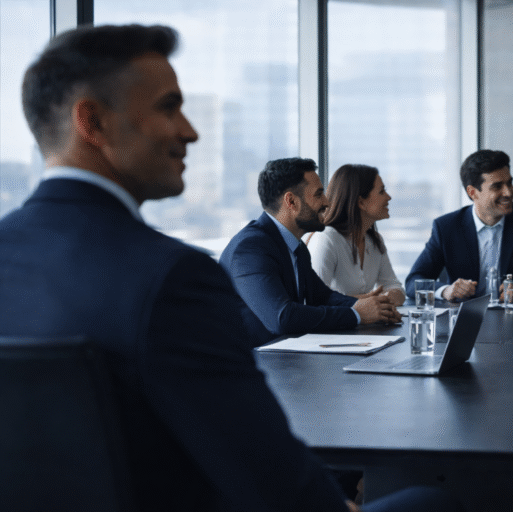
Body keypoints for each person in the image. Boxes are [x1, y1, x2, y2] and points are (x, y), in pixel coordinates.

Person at [0, 24, 457, 512]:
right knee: (434, 500)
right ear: (93, 122)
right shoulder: (173, 277)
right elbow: (272, 477)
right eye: (168, 106)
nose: (190, 130)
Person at [219, 157, 401, 345]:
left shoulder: (296, 246)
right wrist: (356, 314)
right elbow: (282, 317)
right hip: (248, 364)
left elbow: (322, 296)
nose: (327, 202)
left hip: (283, 357)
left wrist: (373, 308)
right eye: (319, 194)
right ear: (291, 201)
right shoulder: (250, 249)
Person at [406, 149, 513, 301]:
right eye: (497, 186)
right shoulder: (447, 227)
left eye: (509, 183)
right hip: (465, 319)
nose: (508, 192)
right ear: (473, 192)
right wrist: (446, 290)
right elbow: (414, 282)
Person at [305, 164, 405, 306]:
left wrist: (380, 301)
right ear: (361, 202)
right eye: (382, 192)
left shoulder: (375, 241)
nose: (389, 197)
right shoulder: (326, 239)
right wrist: (366, 302)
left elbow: (395, 288)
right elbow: (314, 301)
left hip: (364, 327)